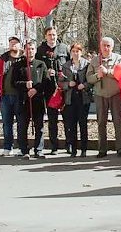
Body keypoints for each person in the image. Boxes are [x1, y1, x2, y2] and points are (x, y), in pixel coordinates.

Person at [13, 41, 54, 159]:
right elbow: (14, 82)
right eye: (27, 49)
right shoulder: (18, 65)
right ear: (24, 51)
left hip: (38, 100)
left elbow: (46, 81)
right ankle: (24, 149)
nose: (30, 51)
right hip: (23, 100)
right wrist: (25, 85)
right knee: (22, 126)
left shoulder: (41, 64)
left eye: (32, 49)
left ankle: (39, 149)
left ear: (35, 50)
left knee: (39, 126)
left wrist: (35, 89)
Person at [87, 37, 121, 158]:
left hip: (115, 94)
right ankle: (102, 149)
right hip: (100, 95)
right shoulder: (94, 61)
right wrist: (98, 76)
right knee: (101, 122)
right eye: (104, 45)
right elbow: (89, 78)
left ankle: (120, 149)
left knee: (118, 122)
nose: (106, 48)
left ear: (112, 47)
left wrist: (107, 72)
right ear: (100, 46)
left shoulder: (119, 59)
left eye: (108, 46)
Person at [0, 36, 26, 156]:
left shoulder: (24, 59)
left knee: (21, 123)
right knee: (7, 123)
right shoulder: (4, 58)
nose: (13, 45)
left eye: (15, 43)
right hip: (5, 96)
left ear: (20, 45)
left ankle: (22, 147)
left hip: (20, 96)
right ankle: (7, 146)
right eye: (11, 43)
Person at [36, 26, 69, 154]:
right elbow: (37, 69)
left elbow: (69, 65)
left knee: (67, 119)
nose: (52, 37)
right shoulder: (40, 50)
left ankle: (69, 145)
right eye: (49, 35)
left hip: (63, 88)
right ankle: (54, 146)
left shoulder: (64, 48)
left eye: (54, 34)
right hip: (49, 89)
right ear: (45, 36)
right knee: (52, 119)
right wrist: (46, 72)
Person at [59, 43, 92, 158]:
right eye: (73, 51)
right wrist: (68, 84)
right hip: (70, 99)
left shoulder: (87, 65)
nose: (75, 53)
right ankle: (73, 149)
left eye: (78, 51)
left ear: (81, 52)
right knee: (71, 125)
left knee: (83, 125)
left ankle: (84, 149)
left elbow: (91, 81)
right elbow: (60, 82)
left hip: (83, 98)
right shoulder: (65, 66)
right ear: (70, 52)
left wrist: (84, 85)